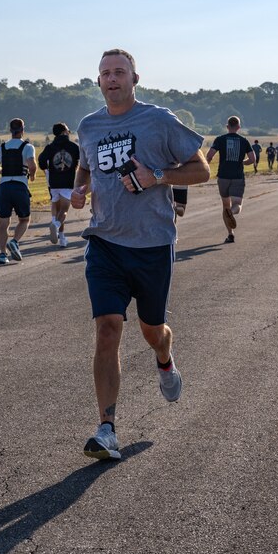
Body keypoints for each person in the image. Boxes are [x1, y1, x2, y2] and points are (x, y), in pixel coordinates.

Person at [71, 48, 209, 460]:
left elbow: (202, 169)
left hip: (151, 244)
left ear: (135, 78)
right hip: (105, 243)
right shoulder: (88, 126)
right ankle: (107, 428)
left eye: (119, 72)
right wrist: (80, 188)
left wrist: (159, 176)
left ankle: (165, 360)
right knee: (108, 328)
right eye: (105, 73)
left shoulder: (158, 120)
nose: (112, 79)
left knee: (153, 332)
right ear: (98, 82)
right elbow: (85, 166)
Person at [0, 118, 37, 264]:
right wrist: (33, 175)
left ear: (10, 130)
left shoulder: (2, 147)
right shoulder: (28, 147)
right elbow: (32, 165)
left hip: (4, 187)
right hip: (19, 185)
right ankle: (15, 241)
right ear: (23, 130)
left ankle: (2, 254)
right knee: (24, 219)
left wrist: (4, 170)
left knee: (4, 222)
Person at [207, 116, 255, 243]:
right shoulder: (244, 141)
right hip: (237, 176)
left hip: (223, 176)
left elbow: (210, 155)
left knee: (225, 205)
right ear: (239, 127)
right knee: (237, 204)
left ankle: (230, 234)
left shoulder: (220, 139)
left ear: (227, 126)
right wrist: (242, 162)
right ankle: (232, 213)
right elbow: (252, 159)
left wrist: (207, 165)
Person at [38, 122, 79, 247]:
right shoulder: (73, 147)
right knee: (64, 211)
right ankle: (55, 226)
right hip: (67, 181)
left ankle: (62, 238)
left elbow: (41, 160)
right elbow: (82, 160)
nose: (68, 132)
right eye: (68, 130)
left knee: (57, 209)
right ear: (63, 132)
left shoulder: (50, 147)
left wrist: (46, 168)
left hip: (53, 182)